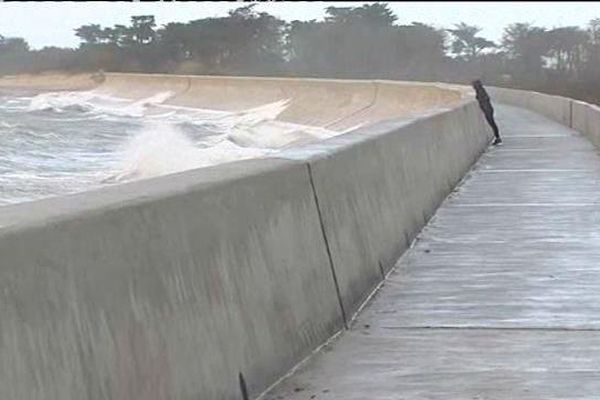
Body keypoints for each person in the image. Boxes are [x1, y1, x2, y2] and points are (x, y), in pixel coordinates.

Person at [472, 79, 502, 145]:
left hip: (488, 110)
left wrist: (485, 109)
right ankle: (497, 137)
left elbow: (484, 100)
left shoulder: (480, 91)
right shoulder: (481, 90)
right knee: (492, 124)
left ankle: (498, 137)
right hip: (488, 109)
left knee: (492, 124)